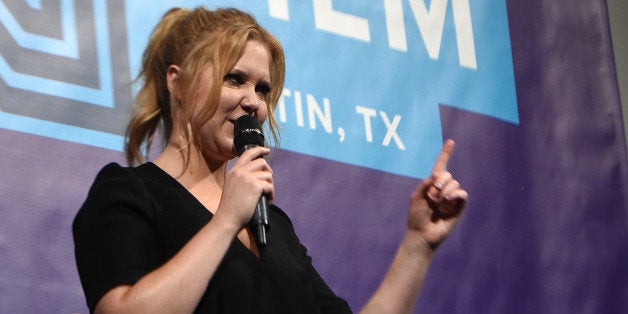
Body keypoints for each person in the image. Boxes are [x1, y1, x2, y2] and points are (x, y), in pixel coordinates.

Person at [72, 6, 468, 314]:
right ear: (177, 81)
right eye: (235, 79)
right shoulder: (129, 193)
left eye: (263, 88)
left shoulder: (272, 225)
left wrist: (418, 244)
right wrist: (226, 221)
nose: (253, 102)